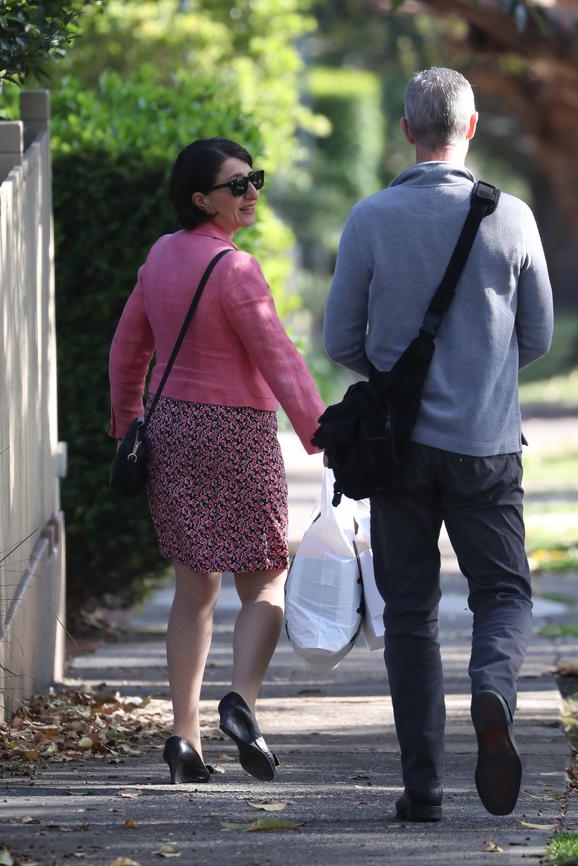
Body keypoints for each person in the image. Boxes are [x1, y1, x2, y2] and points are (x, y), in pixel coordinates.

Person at [323, 67, 553, 821]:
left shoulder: (369, 218)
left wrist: (394, 382)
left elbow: (340, 339)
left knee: (411, 612)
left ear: (404, 130)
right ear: (473, 128)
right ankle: (493, 685)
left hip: (399, 451)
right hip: (487, 446)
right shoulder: (512, 218)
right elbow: (540, 337)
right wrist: (479, 371)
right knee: (503, 592)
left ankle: (422, 785)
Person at [109, 137, 325, 784]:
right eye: (237, 184)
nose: (251, 191)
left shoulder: (160, 257)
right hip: (237, 430)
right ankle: (243, 703)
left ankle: (183, 737)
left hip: (172, 427)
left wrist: (129, 423)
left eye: (254, 178)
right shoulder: (238, 270)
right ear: (201, 199)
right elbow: (277, 356)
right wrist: (320, 430)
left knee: (192, 586)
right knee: (262, 578)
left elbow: (127, 349)